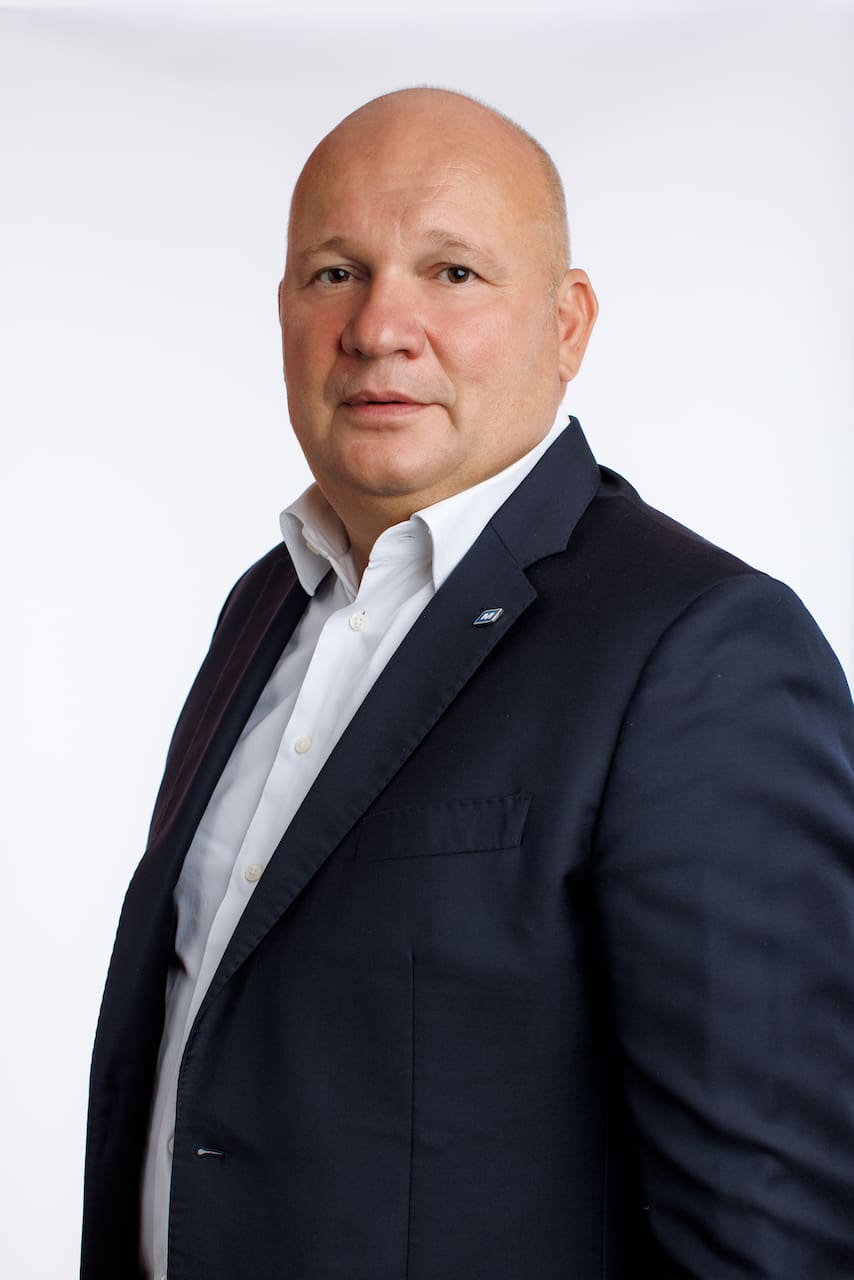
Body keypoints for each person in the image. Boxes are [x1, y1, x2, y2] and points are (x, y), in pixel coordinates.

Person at [81, 88, 854, 1280]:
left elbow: (769, 1228)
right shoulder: (263, 607)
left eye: (451, 272)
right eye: (335, 272)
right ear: (284, 309)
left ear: (566, 323)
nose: (379, 327)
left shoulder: (698, 648)